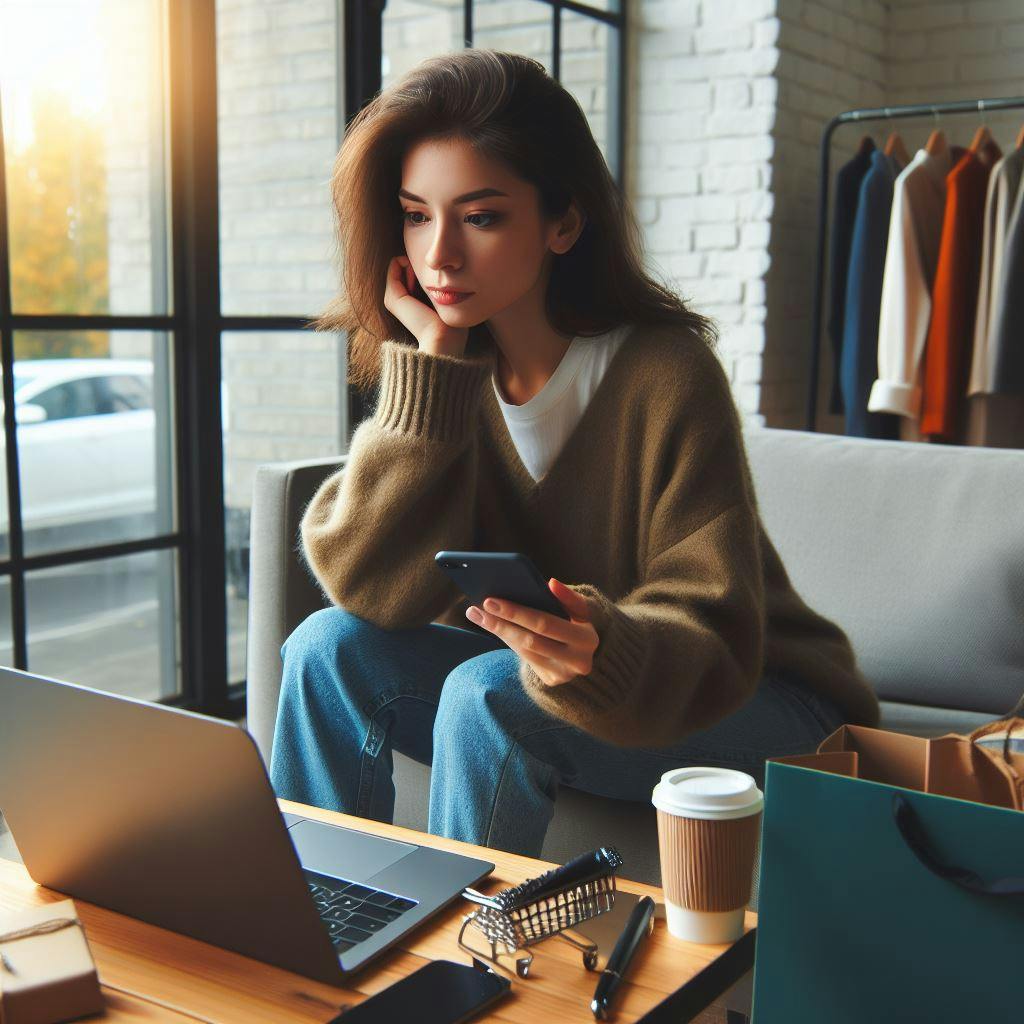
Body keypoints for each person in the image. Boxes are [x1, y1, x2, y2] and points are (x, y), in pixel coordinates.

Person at [269, 48, 879, 858]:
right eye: (417, 215)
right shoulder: (446, 370)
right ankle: (323, 924)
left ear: (563, 222)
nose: (440, 254)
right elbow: (367, 590)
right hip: (560, 678)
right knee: (324, 648)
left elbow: (715, 624)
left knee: (488, 693)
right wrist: (430, 371)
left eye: (480, 217)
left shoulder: (664, 370)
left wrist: (606, 646)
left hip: (755, 696)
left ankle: (466, 969)